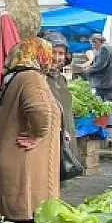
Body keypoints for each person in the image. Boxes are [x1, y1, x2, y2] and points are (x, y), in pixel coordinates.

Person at [0, 38, 61, 223]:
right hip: (23, 159)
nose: (50, 59)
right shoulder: (31, 77)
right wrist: (38, 133)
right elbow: (40, 109)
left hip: (11, 156)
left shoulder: (13, 77)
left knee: (14, 221)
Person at [43, 31, 78, 162]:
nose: (57, 57)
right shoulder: (39, 78)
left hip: (66, 140)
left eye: (61, 53)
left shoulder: (61, 79)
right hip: (50, 140)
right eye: (53, 52)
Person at [85, 33, 112, 102]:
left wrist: (88, 70)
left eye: (92, 44)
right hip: (111, 83)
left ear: (97, 42)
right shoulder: (109, 47)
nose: (92, 47)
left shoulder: (104, 48)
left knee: (105, 105)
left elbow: (100, 65)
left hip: (109, 84)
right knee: (102, 104)